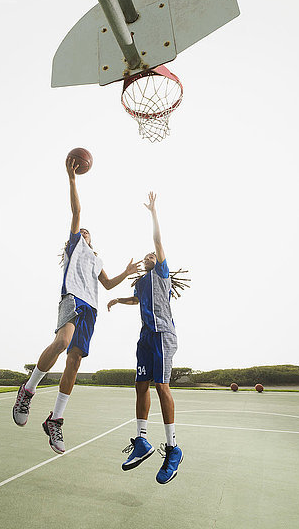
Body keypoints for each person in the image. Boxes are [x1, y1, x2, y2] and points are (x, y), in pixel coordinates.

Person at [12, 157, 140, 455]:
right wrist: (72, 178)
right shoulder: (74, 246)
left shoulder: (95, 259)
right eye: (81, 231)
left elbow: (107, 285)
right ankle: (28, 390)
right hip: (72, 298)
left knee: (74, 361)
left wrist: (127, 271)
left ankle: (55, 419)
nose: (84, 233)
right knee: (62, 342)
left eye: (87, 233)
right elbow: (77, 210)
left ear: (92, 240)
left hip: (91, 309)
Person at [107, 192, 183, 484]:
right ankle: (142, 441)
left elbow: (158, 242)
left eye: (151, 255)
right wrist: (116, 300)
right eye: (146, 256)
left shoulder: (162, 273)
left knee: (161, 386)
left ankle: (173, 448)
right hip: (145, 338)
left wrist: (153, 212)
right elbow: (134, 299)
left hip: (163, 334)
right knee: (140, 385)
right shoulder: (141, 284)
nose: (149, 256)